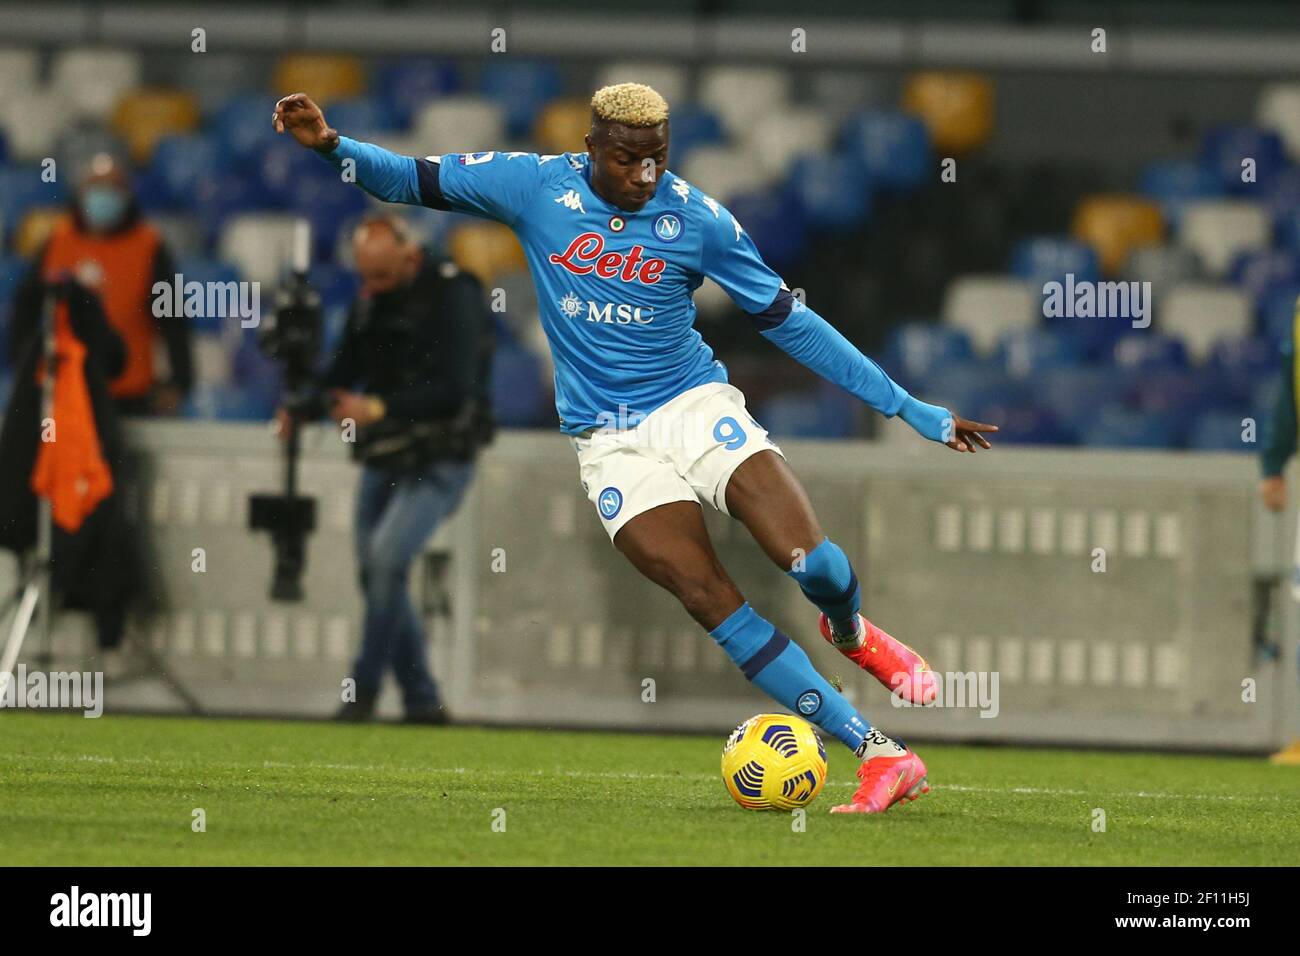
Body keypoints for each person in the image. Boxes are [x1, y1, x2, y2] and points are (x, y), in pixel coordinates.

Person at [273, 83, 996, 812]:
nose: (643, 177)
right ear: (590, 148)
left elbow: (792, 322)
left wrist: (906, 407)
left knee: (812, 561)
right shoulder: (532, 186)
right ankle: (880, 753)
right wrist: (335, 146)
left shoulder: (699, 219)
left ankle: (849, 630)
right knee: (708, 595)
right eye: (625, 160)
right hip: (609, 442)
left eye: (656, 160)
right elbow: (410, 179)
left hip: (692, 406)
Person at [276, 214, 494, 724]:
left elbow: (455, 388)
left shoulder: (454, 295)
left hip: (440, 455)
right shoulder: (368, 301)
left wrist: (376, 408)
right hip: (384, 456)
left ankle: (362, 691)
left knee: (384, 563)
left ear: (411, 257)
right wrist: (303, 406)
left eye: (382, 277)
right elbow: (342, 371)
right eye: (364, 277)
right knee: (377, 573)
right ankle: (421, 701)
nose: (371, 288)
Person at [19, 152, 192, 417]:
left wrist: (180, 382)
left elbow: (174, 319)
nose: (104, 195)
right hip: (65, 392)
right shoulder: (56, 243)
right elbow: (26, 312)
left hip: (131, 395)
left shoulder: (149, 246)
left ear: (126, 194)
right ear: (81, 191)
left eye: (113, 187)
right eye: (97, 186)